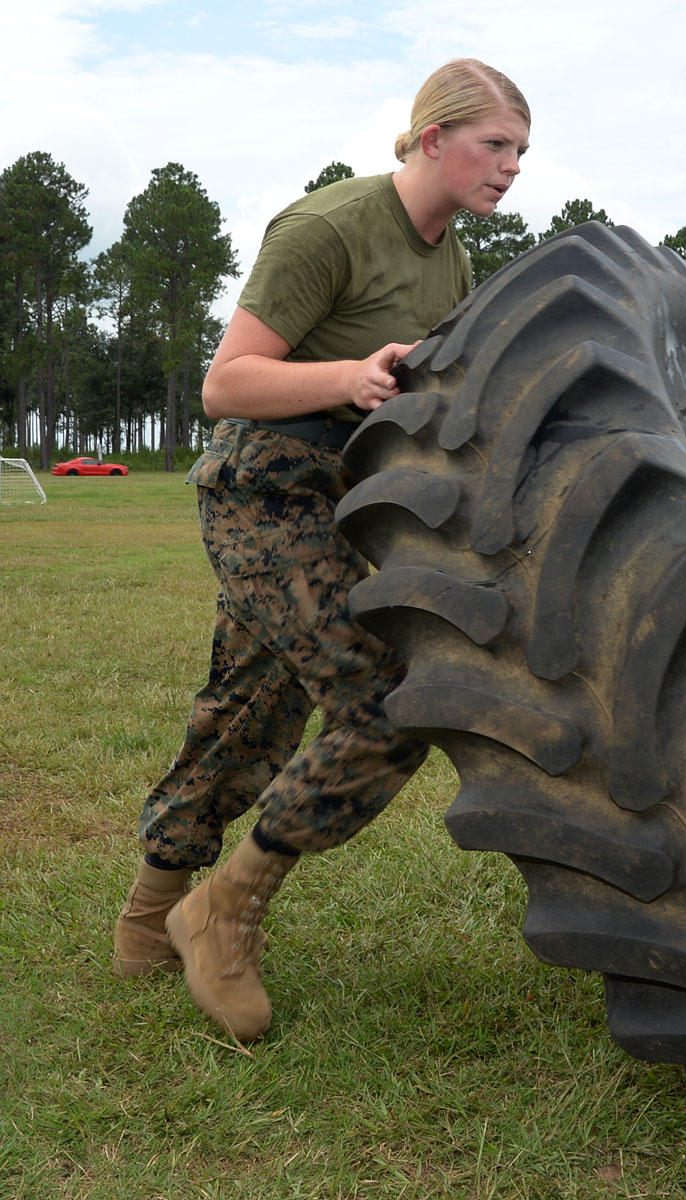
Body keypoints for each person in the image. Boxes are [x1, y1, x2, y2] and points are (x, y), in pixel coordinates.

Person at [112, 58, 531, 1043]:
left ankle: (143, 927)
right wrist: (352, 374)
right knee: (390, 697)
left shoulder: (450, 257)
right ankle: (223, 909)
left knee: (245, 713)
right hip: (261, 488)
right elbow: (225, 384)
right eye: (495, 145)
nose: (511, 168)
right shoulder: (326, 228)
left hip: (343, 501)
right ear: (433, 139)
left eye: (521, 151)